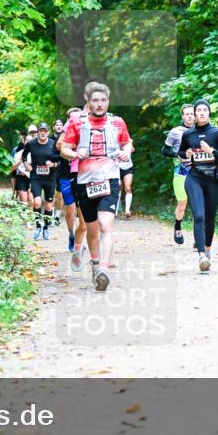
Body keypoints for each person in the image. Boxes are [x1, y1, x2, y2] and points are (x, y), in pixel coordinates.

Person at [61, 82, 133, 291]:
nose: (99, 104)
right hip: (85, 182)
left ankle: (104, 268)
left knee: (105, 225)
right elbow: (64, 148)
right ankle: (94, 263)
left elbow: (127, 143)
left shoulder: (117, 122)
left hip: (109, 179)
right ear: (89, 102)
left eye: (103, 100)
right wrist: (75, 154)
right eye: (95, 101)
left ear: (108, 102)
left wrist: (125, 152)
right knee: (91, 229)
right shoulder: (77, 122)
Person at [177, 99, 218, 272]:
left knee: (209, 219)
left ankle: (207, 250)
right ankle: (201, 255)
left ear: (209, 113)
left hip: (213, 180)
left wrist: (212, 151)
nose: (201, 113)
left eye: (204, 110)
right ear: (194, 114)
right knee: (199, 216)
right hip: (194, 177)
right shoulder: (188, 134)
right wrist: (185, 153)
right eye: (198, 110)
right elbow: (180, 151)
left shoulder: (217, 133)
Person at [161, 103, 196, 244]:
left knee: (197, 205)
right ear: (183, 116)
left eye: (192, 113)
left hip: (197, 172)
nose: (189, 116)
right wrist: (177, 155)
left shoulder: (201, 131)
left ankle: (197, 237)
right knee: (182, 203)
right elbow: (165, 150)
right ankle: (177, 225)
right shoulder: (175, 132)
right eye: (187, 114)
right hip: (181, 172)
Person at [19, 123, 60, 239]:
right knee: (36, 202)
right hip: (36, 177)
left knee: (48, 206)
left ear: (48, 132)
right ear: (37, 132)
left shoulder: (53, 144)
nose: (43, 133)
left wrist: (54, 164)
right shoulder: (31, 144)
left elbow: (61, 159)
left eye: (45, 131)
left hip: (50, 178)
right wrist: (26, 165)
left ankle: (46, 228)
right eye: (41, 131)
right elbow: (24, 156)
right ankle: (38, 226)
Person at [54, 112, 79, 252]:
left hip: (83, 173)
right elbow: (58, 146)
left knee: (83, 211)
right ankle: (72, 235)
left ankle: (81, 237)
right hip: (66, 174)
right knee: (70, 210)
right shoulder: (65, 133)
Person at [51, 119, 64, 227]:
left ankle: (56, 217)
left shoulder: (66, 139)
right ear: (53, 127)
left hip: (63, 170)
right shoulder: (49, 139)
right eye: (57, 125)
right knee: (51, 194)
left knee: (60, 194)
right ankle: (50, 215)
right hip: (50, 170)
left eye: (61, 125)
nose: (59, 126)